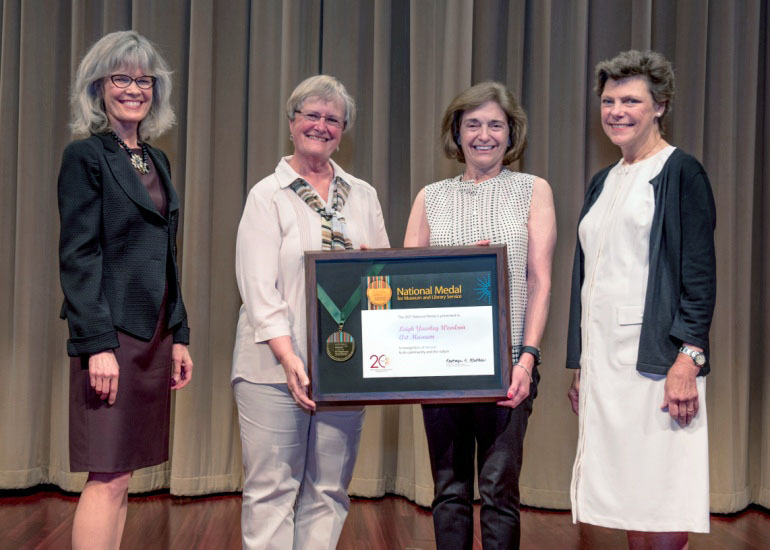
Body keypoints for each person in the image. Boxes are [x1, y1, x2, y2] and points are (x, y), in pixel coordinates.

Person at [231, 75, 390, 549]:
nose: (321, 126)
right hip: (271, 370)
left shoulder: (363, 194)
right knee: (271, 492)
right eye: (311, 115)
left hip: (344, 368)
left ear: (343, 131)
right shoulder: (268, 194)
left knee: (328, 491)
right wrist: (290, 358)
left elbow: (384, 277)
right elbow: (258, 289)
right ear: (292, 122)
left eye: (332, 120)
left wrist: (373, 274)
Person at [566, 50, 717, 548]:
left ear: (660, 107)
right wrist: (580, 364)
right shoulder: (602, 181)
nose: (616, 111)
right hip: (605, 364)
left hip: (656, 362)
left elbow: (699, 276)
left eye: (631, 100)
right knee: (632, 492)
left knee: (662, 489)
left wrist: (687, 361)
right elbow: (587, 279)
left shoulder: (681, 172)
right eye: (608, 101)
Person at [404, 81, 557, 549]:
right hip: (441, 369)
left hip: (508, 367)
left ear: (512, 133)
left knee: (498, 492)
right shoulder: (430, 196)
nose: (484, 134)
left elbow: (540, 281)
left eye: (495, 124)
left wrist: (527, 361)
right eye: (473, 124)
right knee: (448, 492)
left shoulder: (533, 190)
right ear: (457, 131)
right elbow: (408, 283)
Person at [58, 31, 193, 550]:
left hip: (153, 334)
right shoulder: (85, 156)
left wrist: (179, 334)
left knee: (124, 475)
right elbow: (78, 256)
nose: (134, 88)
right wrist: (97, 345)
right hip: (112, 336)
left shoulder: (154, 160)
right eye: (122, 78)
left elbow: (167, 255)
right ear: (98, 86)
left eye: (144, 79)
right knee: (107, 474)